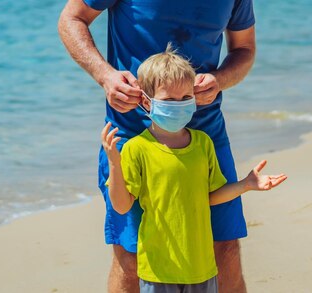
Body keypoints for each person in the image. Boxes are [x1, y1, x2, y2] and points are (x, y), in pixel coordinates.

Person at [57, 0, 257, 291]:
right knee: (132, 257)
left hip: (206, 134)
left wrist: (220, 79)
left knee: (224, 249)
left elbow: (244, 49)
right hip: (132, 132)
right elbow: (71, 19)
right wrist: (106, 76)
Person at [101, 46, 285, 293]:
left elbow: (209, 197)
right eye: (168, 100)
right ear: (147, 101)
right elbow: (122, 206)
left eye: (185, 98)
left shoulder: (202, 143)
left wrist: (246, 184)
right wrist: (114, 162)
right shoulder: (137, 148)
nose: (178, 105)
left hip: (201, 267)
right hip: (158, 269)